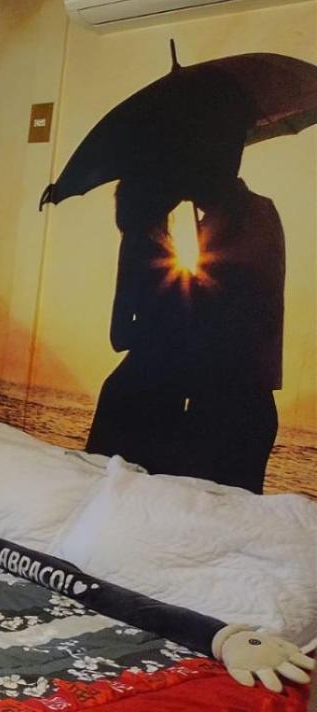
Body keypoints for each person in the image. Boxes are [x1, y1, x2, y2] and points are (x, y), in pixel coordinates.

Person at [175, 129, 285, 492]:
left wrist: (197, 287)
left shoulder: (249, 217)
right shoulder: (245, 215)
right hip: (231, 399)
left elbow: (242, 305)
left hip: (232, 402)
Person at [85, 177, 191, 473]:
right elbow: (119, 336)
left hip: (142, 391)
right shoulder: (149, 245)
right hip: (157, 391)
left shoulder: (141, 245)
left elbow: (120, 335)